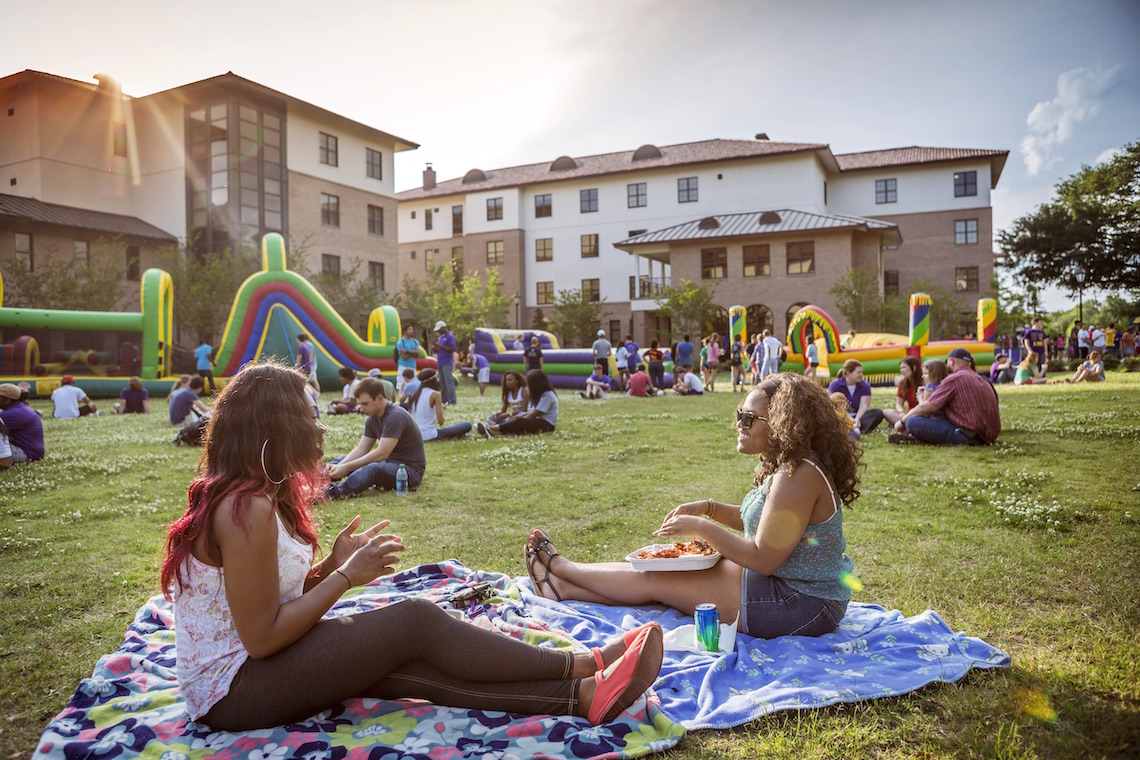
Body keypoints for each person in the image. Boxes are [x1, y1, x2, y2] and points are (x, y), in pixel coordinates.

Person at [161, 362, 662, 731]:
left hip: (253, 670)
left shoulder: (260, 496)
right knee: (414, 621)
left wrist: (328, 566)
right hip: (234, 689)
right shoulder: (244, 507)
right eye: (308, 416)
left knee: (401, 665)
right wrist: (345, 578)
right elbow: (263, 637)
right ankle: (582, 664)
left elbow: (267, 603)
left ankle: (583, 696)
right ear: (272, 429)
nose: (320, 426)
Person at [525, 373, 859, 640]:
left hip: (803, 603)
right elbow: (766, 525)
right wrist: (709, 508)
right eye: (739, 415)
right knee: (668, 574)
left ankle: (564, 569)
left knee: (658, 581)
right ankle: (562, 587)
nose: (739, 425)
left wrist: (702, 528)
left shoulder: (798, 475)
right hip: (789, 586)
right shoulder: (788, 466)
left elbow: (764, 558)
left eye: (748, 418)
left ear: (782, 422)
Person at [324, 377, 427, 498]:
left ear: (380, 398)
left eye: (365, 404)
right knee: (342, 459)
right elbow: (362, 449)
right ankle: (318, 479)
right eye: (360, 404)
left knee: (373, 469)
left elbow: (382, 454)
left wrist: (346, 467)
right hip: (389, 464)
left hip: (408, 472)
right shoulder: (372, 419)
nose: (361, 409)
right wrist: (340, 466)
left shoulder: (395, 416)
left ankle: (333, 493)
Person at [896, 348, 1000, 446]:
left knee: (912, 422)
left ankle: (923, 438)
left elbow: (925, 408)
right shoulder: (983, 380)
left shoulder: (954, 378)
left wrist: (901, 422)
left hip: (968, 435)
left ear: (951, 361)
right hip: (989, 436)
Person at [476, 370, 558, 437]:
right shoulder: (540, 394)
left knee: (520, 422)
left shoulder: (547, 395)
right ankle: (493, 433)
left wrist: (520, 418)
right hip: (538, 420)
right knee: (519, 425)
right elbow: (533, 412)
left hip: (547, 424)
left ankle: (491, 428)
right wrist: (519, 417)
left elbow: (536, 412)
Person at [409, 369, 472, 442]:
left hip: (414, 435)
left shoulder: (413, 394)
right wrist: (441, 409)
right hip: (429, 435)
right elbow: (441, 422)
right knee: (467, 425)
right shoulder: (435, 394)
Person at [827, 360, 884, 436]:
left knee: (877, 413)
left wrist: (857, 419)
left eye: (861, 372)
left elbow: (864, 405)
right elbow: (832, 404)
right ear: (848, 373)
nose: (861, 374)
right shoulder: (835, 384)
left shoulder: (864, 385)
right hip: (841, 415)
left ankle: (854, 427)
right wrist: (849, 418)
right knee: (833, 417)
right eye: (858, 372)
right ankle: (855, 428)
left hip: (858, 415)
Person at [0, 383, 44, 463]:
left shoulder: (11, 414)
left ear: (7, 400)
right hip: (33, 452)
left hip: (26, 453)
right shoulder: (19, 408)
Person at [883, 357, 921, 431]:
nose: (901, 370)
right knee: (886, 412)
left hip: (920, 415)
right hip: (907, 416)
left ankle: (904, 425)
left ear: (914, 367)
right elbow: (899, 404)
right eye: (901, 368)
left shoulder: (924, 383)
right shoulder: (902, 383)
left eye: (904, 367)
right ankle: (905, 424)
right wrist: (901, 412)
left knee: (913, 420)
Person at [431, 321, 457, 407]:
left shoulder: (450, 336)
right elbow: (441, 349)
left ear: (444, 328)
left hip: (447, 362)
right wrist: (436, 347)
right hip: (440, 361)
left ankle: (452, 401)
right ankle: (444, 400)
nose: (438, 332)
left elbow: (452, 349)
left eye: (439, 330)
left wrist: (440, 346)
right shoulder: (441, 337)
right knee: (442, 383)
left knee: (448, 382)